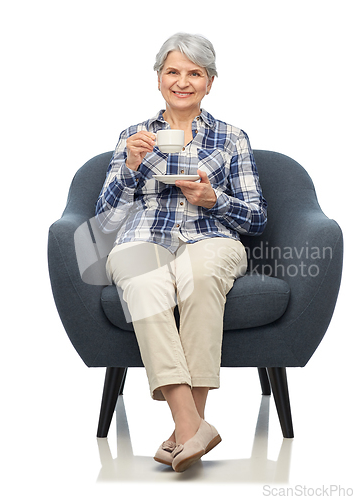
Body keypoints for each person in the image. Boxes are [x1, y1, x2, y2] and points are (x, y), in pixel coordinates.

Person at [95, 33, 267, 472]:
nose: (183, 81)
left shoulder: (232, 138)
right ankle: (191, 424)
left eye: (195, 73)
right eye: (173, 71)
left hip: (212, 237)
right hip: (143, 238)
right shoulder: (133, 137)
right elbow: (106, 223)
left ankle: (186, 429)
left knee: (202, 273)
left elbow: (257, 219)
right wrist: (130, 168)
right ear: (158, 79)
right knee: (145, 280)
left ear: (210, 82)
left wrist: (215, 200)